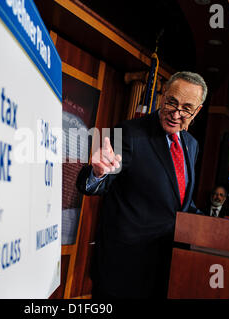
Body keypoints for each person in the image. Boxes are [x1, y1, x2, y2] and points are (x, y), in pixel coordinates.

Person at [76, 71, 207, 298]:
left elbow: (179, 201)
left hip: (164, 268)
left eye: (186, 108)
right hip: (123, 268)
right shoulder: (126, 131)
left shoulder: (192, 144)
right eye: (171, 102)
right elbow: (95, 184)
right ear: (162, 96)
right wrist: (97, 173)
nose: (176, 114)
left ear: (197, 111)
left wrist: (211, 227)